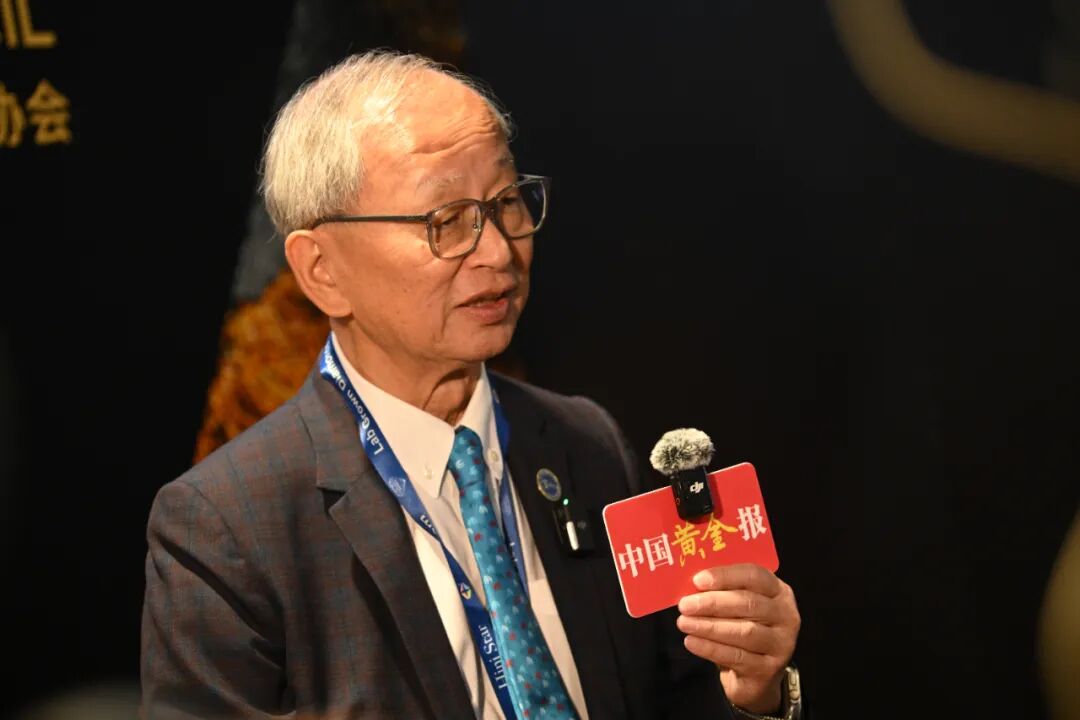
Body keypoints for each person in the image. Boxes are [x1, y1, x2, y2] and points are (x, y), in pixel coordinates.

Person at [140, 51, 803, 720]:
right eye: (445, 221)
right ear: (322, 271)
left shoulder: (585, 444)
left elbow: (677, 698)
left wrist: (754, 695)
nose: (498, 251)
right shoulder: (226, 529)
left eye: (506, 203)